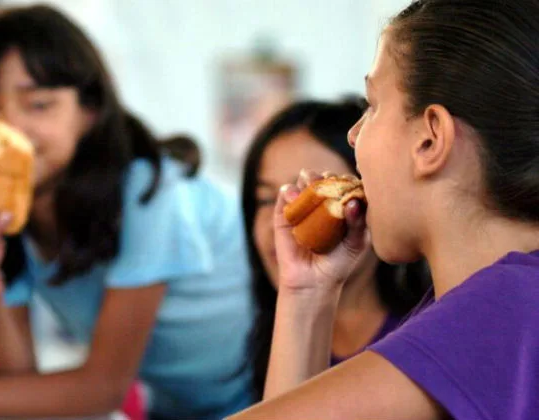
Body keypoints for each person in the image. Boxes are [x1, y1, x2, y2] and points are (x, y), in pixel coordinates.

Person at [228, 0, 539, 418]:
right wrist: (306, 294)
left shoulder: (504, 307)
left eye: (372, 106)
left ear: (430, 139)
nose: (355, 135)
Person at [0, 5, 253, 419]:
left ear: (88, 112)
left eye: (38, 104)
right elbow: (15, 389)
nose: (11, 126)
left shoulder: (151, 194)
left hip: (272, 395)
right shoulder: (5, 215)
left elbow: (103, 388)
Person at [241, 97, 429, 399]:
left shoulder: (425, 339)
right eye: (264, 199)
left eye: (308, 197)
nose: (284, 218)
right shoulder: (267, 338)